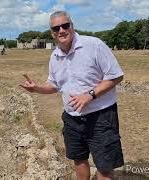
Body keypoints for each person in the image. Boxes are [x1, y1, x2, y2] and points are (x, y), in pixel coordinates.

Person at [20, 11, 124, 180]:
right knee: (79, 160)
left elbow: (116, 76)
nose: (61, 30)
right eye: (56, 28)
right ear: (51, 33)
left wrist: (90, 95)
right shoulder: (55, 57)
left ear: (72, 26)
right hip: (72, 119)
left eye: (65, 25)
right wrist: (37, 88)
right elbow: (54, 85)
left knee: (104, 168)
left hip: (100, 117)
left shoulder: (93, 45)